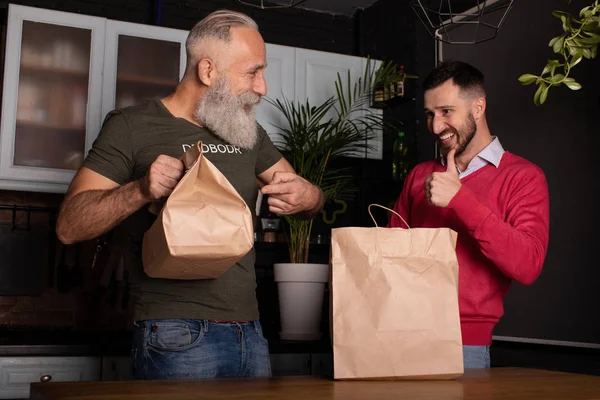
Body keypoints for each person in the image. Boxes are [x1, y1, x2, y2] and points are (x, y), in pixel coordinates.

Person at [55, 9, 324, 380]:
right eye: (252, 72)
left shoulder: (245, 129)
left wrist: (309, 196)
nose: (262, 87)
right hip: (175, 335)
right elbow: (69, 225)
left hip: (250, 331)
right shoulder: (132, 126)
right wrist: (139, 190)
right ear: (208, 71)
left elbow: (304, 199)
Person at [387, 60, 549, 369]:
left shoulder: (523, 177)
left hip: (465, 345)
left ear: (478, 107)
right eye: (430, 115)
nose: (435, 127)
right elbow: (390, 254)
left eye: (446, 112)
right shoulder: (419, 175)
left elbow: (528, 265)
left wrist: (460, 199)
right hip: (398, 334)